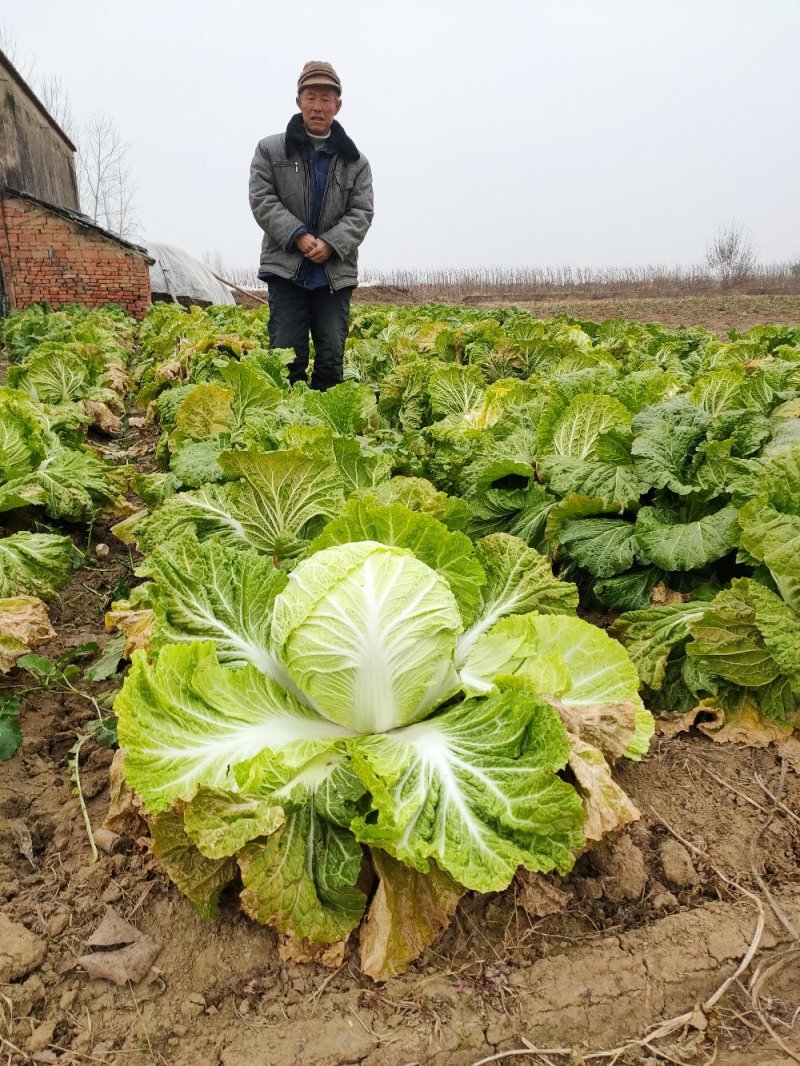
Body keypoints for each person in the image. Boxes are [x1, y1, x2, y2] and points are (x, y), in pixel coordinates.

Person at [249, 61, 374, 391]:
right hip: (287, 268)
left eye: (326, 99)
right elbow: (262, 199)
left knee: (332, 358)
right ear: (299, 101)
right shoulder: (270, 150)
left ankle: (327, 432)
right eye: (311, 97)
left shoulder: (356, 162)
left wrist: (331, 243)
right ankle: (285, 432)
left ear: (338, 105)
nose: (318, 106)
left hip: (333, 273)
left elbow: (362, 211)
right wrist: (298, 235)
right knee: (287, 357)